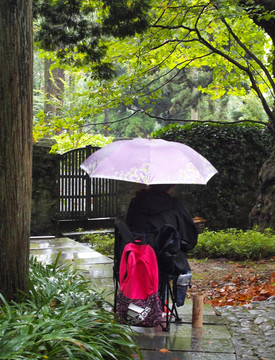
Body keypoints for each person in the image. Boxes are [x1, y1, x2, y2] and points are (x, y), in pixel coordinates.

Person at [125, 184, 198, 255]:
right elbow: (190, 239)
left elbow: (128, 230)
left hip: (138, 258)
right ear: (172, 186)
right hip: (169, 260)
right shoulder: (175, 206)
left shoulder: (135, 203)